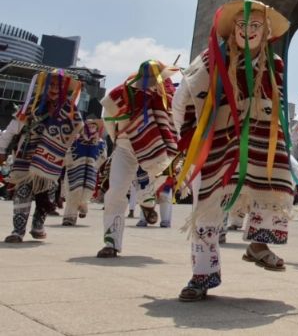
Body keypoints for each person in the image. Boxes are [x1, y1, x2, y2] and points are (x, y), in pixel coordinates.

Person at [173, 0, 295, 301]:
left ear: (266, 32)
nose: (249, 31)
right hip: (216, 140)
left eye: (256, 26)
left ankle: (258, 244)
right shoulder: (210, 59)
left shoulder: (274, 64)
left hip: (261, 139)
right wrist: (181, 144)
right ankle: (202, 275)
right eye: (243, 25)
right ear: (233, 30)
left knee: (278, 187)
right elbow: (182, 98)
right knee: (207, 209)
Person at [97, 60, 179, 257]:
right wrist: (118, 138)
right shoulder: (122, 94)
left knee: (159, 180)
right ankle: (111, 241)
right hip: (126, 147)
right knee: (116, 190)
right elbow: (109, 117)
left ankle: (148, 202)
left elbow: (176, 122)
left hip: (157, 148)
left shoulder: (169, 96)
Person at [0, 70, 83, 242]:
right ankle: (18, 231)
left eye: (57, 86)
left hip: (52, 159)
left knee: (47, 193)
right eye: (50, 84)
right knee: (22, 191)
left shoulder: (69, 110)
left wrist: (67, 154)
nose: (53, 89)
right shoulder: (32, 104)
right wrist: (1, 149)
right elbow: (12, 129)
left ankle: (38, 226)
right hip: (26, 155)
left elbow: (76, 132)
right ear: (43, 86)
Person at [62, 101, 108, 226]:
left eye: (94, 126)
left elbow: (103, 156)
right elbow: (68, 151)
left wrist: (95, 164)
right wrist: (69, 162)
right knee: (73, 190)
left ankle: (83, 204)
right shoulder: (76, 140)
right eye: (89, 125)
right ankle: (69, 217)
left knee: (87, 190)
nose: (91, 128)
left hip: (90, 170)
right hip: (75, 168)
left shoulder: (100, 142)